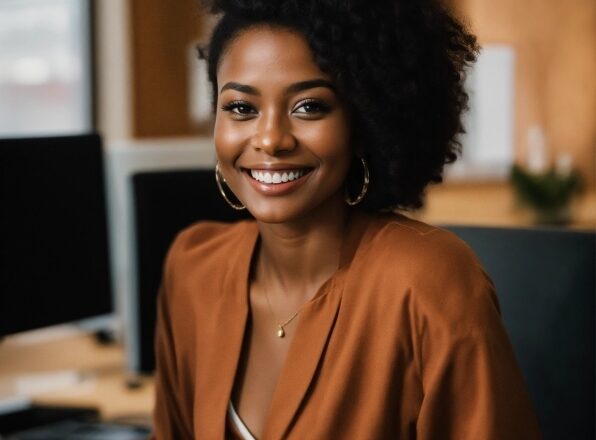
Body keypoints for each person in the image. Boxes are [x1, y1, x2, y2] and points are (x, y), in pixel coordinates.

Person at [152, 0, 542, 438]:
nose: (270, 139)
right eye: (242, 108)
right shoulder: (194, 268)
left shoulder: (428, 283)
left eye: (309, 107)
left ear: (363, 123)